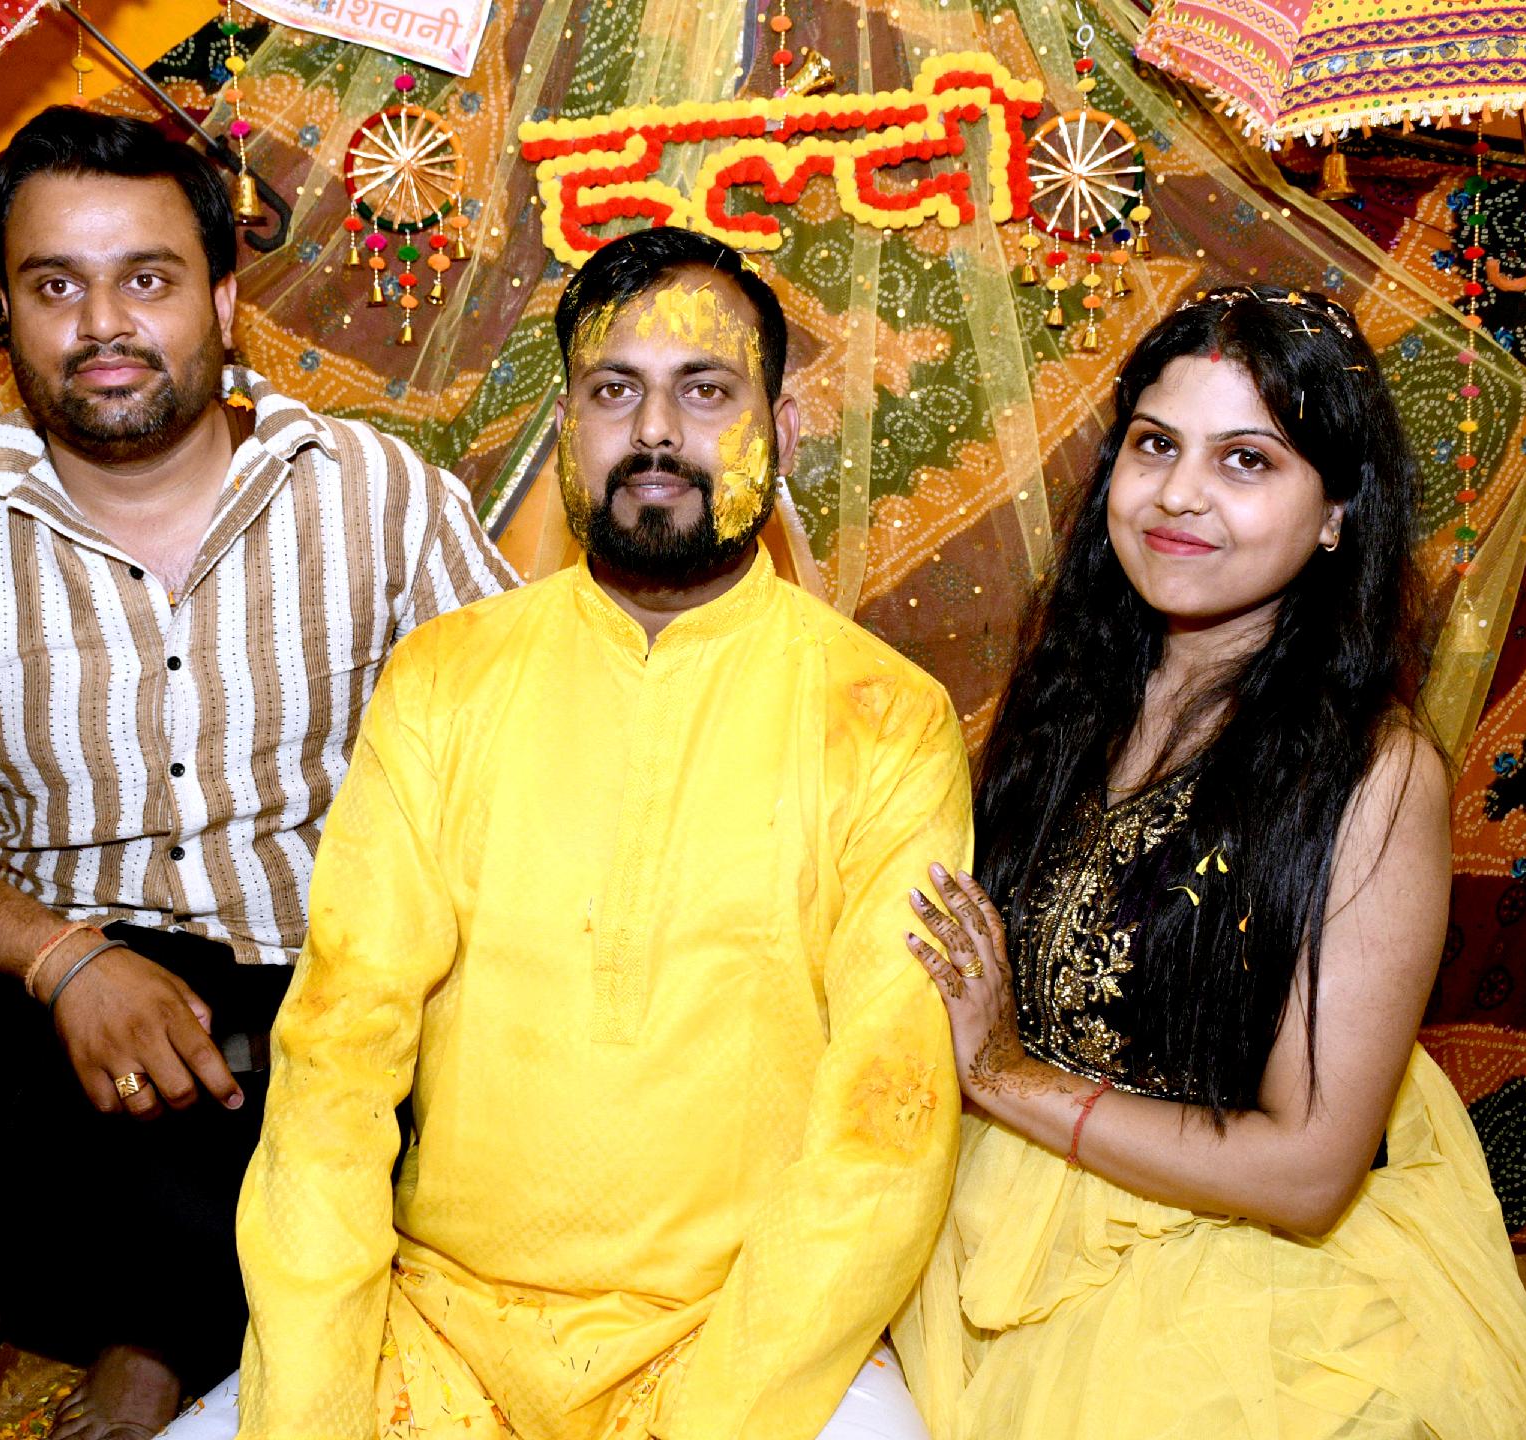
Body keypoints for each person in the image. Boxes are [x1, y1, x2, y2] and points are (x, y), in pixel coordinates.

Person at [0, 106, 513, 1440]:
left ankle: (148, 1328)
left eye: (148, 278)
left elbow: (528, 738)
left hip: (327, 1001)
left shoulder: (374, 493)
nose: (103, 325)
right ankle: (208, 1302)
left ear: (223, 303)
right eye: (56, 285)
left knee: (471, 1115)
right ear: (10, 311)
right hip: (79, 1013)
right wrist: (66, 963)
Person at [173, 227, 969, 1440]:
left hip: (736, 1339)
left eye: (705, 391)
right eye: (613, 392)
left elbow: (886, 1122)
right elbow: (337, 1061)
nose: (655, 433)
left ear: (785, 430)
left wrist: (713, 1420)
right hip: (437, 1325)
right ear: (567, 431)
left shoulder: (886, 719)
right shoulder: (445, 681)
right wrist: (318, 1407)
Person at [891, 287, 1526, 1439]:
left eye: (1246, 460)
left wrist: (1004, 1078)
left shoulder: (1375, 775)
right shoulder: (1069, 692)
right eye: (1155, 445)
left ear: (1337, 514)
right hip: (987, 1205)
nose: (1179, 494)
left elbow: (1307, 1173)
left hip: (1228, 1276)